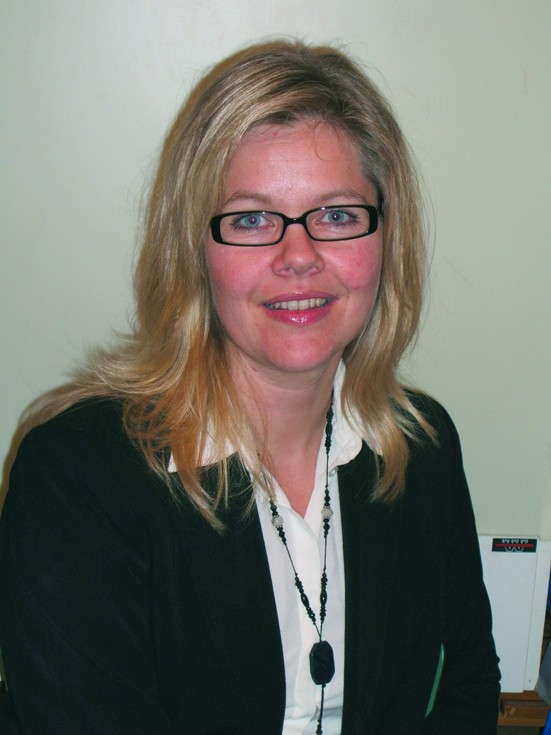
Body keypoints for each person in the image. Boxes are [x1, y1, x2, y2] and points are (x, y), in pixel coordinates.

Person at [0, 40, 500, 734]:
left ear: (386, 239)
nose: (298, 256)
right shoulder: (78, 477)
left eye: (336, 215)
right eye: (252, 218)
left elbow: (467, 689)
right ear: (195, 250)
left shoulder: (423, 446)